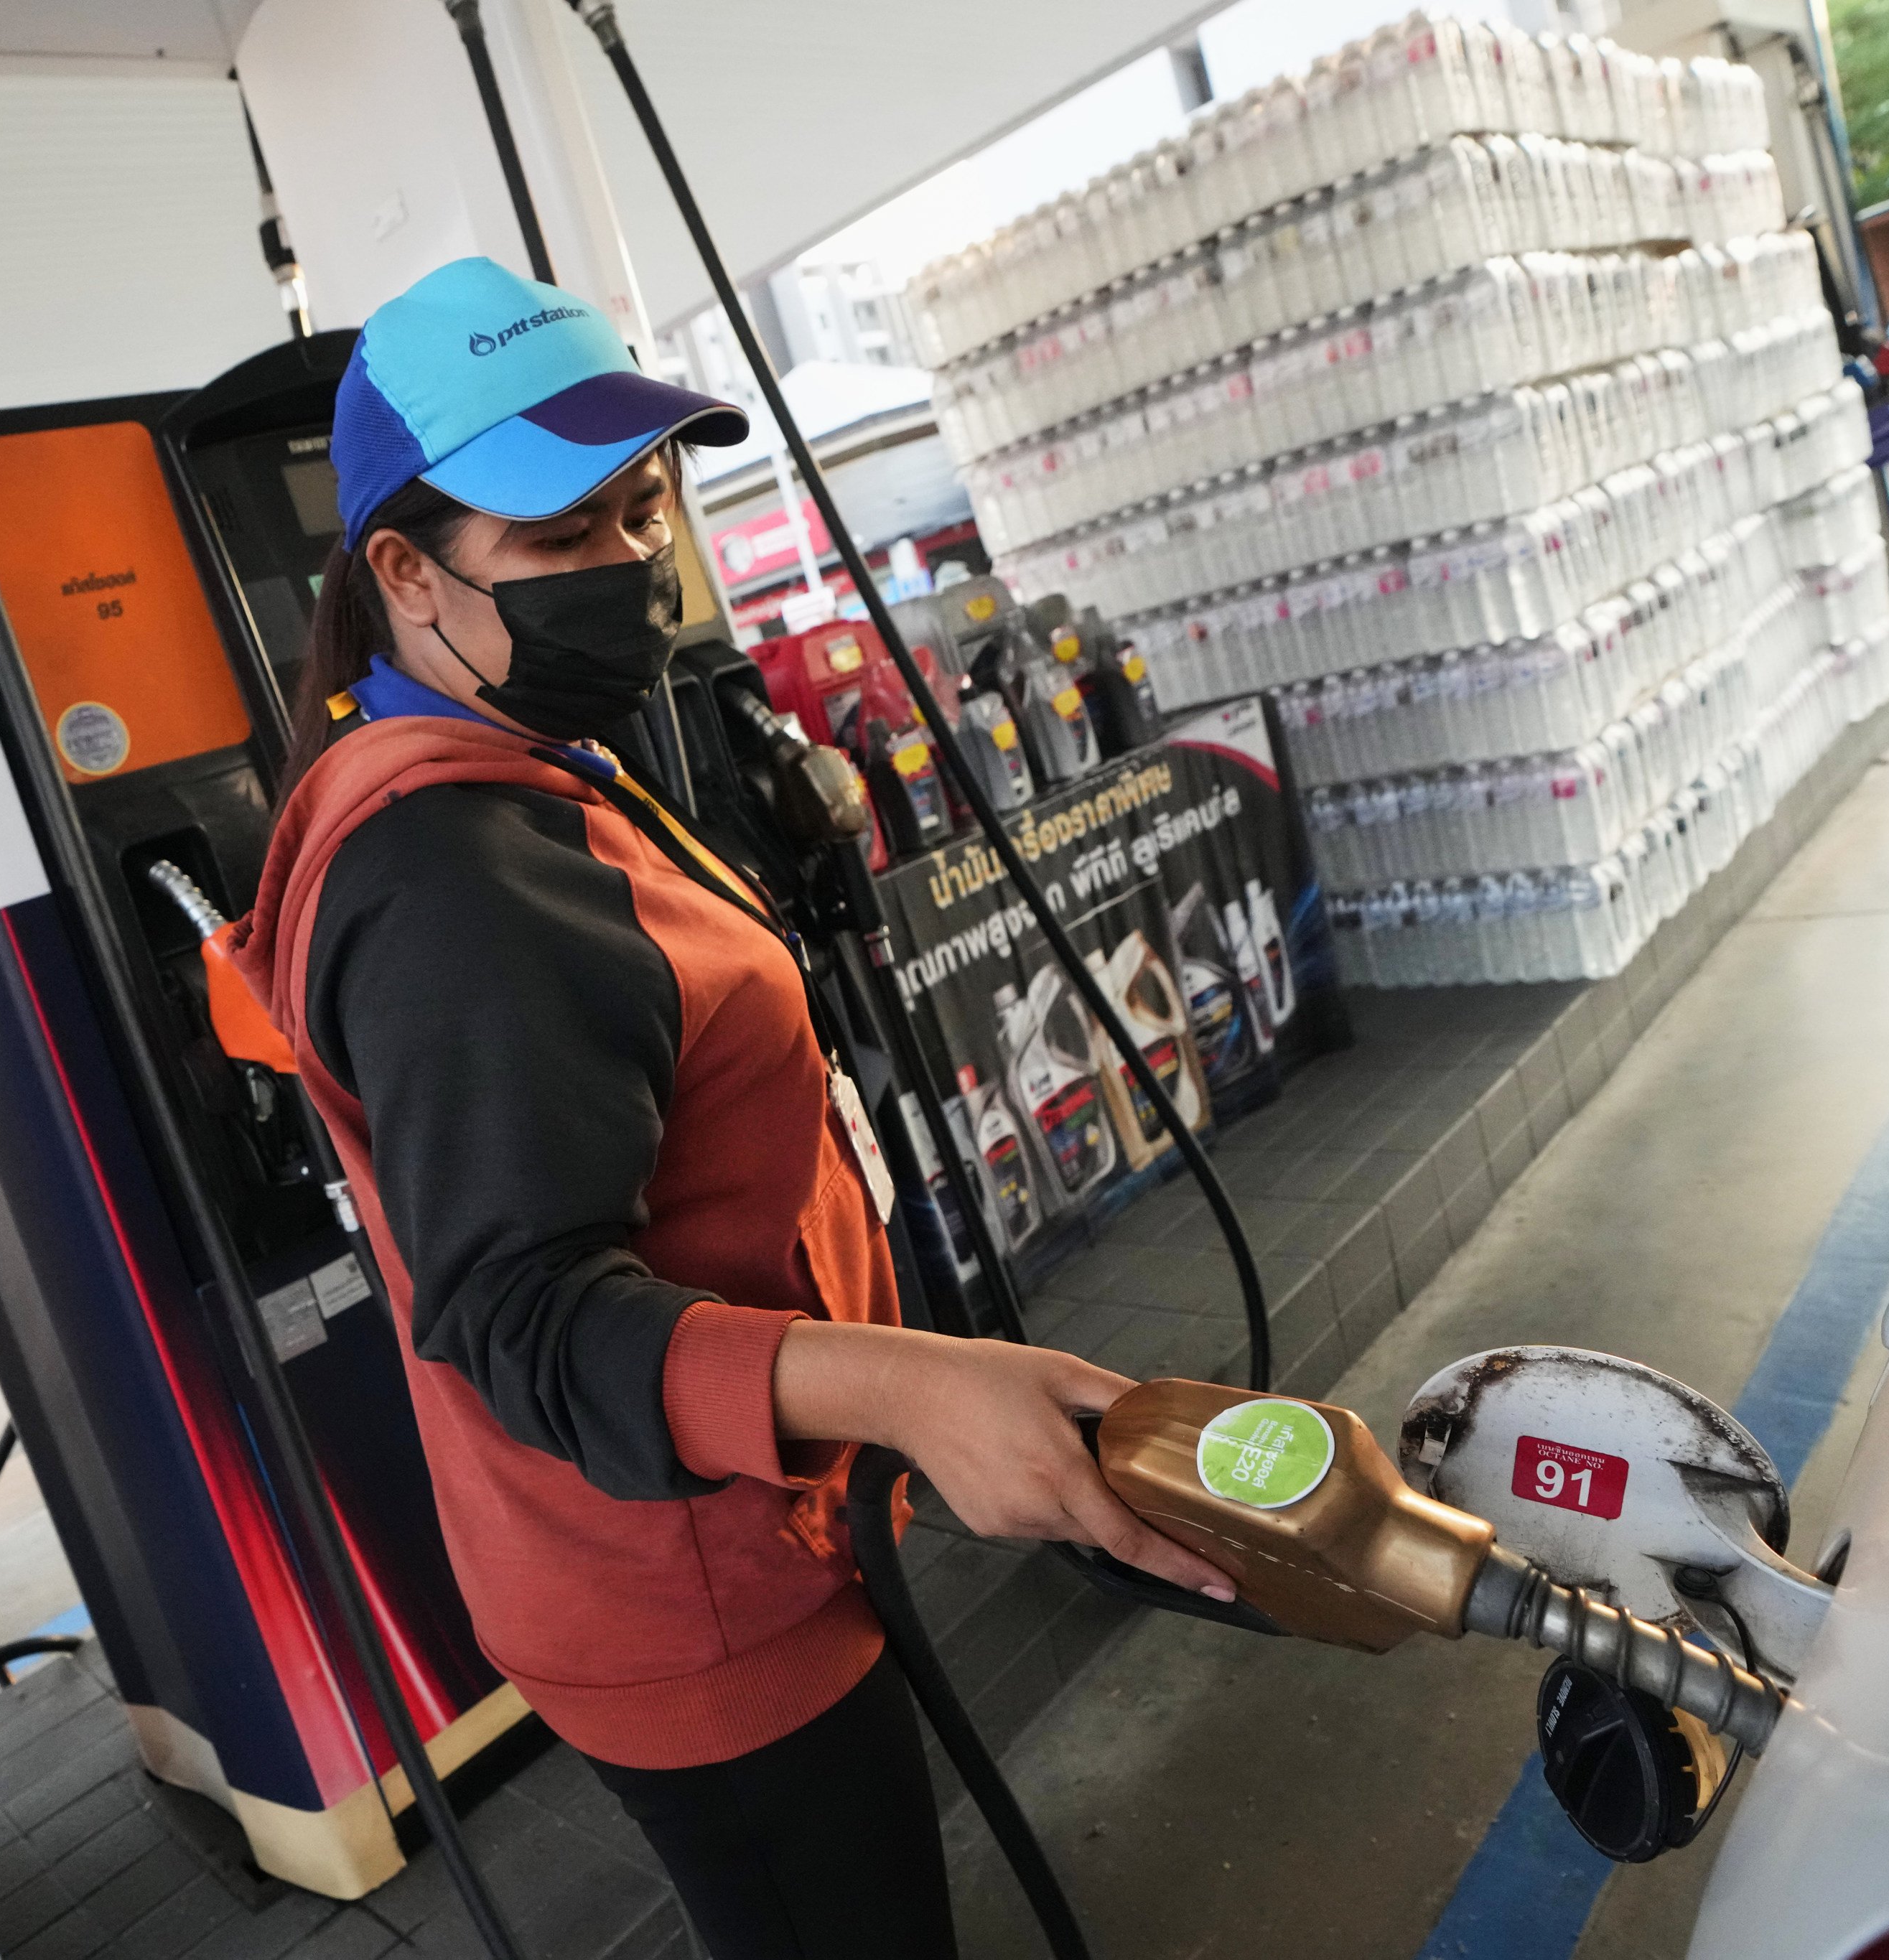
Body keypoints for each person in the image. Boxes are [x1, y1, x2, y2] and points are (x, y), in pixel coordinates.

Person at [228, 257, 1229, 1960]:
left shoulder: (511, 777)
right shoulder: (449, 876)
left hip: (744, 1531)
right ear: (403, 571)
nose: (626, 568)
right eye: (558, 538)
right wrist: (911, 1385)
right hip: (684, 1595)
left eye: (636, 514)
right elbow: (522, 1314)